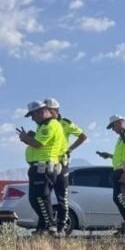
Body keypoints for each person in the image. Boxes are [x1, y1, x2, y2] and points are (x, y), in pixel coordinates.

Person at [16, 101, 65, 235]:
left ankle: (50, 226)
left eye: (33, 115)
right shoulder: (45, 126)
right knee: (41, 198)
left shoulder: (49, 125)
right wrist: (30, 136)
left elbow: (38, 144)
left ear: (40, 112)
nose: (32, 119)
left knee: (39, 198)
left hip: (43, 167)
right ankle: (44, 227)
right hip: (41, 167)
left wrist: (25, 138)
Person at [44, 97, 87, 234]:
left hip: (61, 163)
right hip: (47, 162)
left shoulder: (65, 123)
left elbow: (82, 136)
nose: (46, 113)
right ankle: (47, 226)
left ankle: (61, 227)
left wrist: (71, 148)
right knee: (44, 195)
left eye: (48, 111)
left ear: (56, 110)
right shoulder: (44, 124)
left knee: (61, 195)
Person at [96, 115, 125, 229]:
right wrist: (109, 156)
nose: (113, 130)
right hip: (119, 170)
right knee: (124, 199)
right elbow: (122, 156)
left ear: (119, 123)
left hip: (124, 171)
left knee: (119, 198)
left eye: (113, 126)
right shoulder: (121, 137)